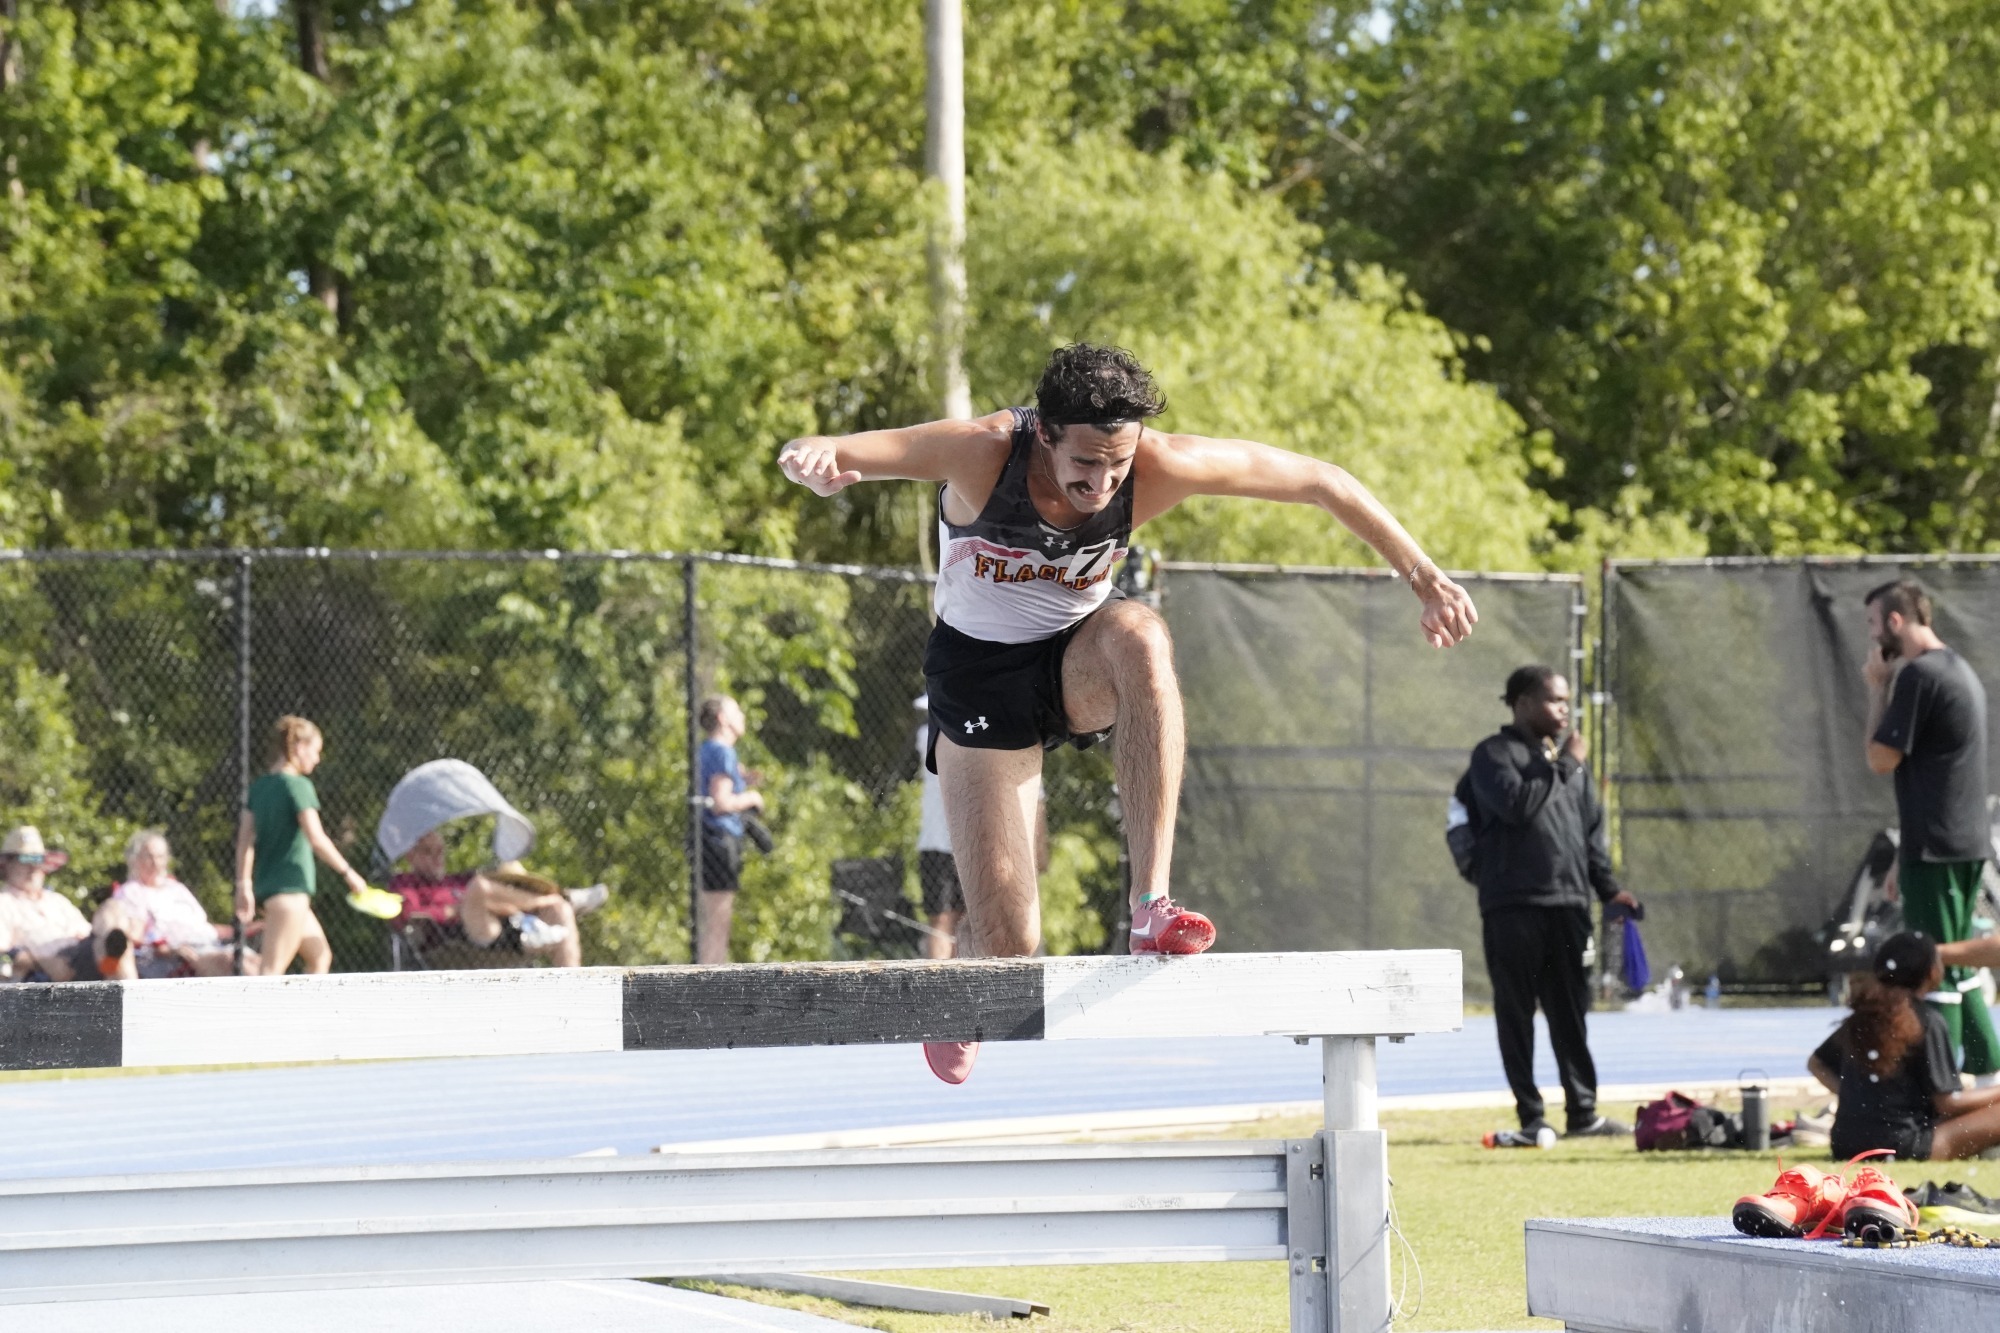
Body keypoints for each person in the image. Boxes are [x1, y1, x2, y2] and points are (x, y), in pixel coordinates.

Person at [779, 342, 1478, 1084]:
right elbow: (831, 447)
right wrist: (812, 461)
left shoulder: (1158, 465)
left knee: (1142, 635)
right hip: (978, 679)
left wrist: (1425, 577)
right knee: (1012, 949)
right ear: (1045, 435)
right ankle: (968, 970)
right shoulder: (983, 450)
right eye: (1085, 464)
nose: (1101, 484)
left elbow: (1320, 480)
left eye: (1117, 465)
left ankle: (1150, 902)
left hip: (1076, 658)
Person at [1461, 666, 1639, 1142]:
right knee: (1516, 1012)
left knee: (1570, 1012)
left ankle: (1584, 1114)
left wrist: (1609, 889)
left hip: (1569, 906)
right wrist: (1568, 765)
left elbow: (1589, 835)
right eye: (1553, 700)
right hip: (1512, 904)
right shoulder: (1493, 755)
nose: (1564, 709)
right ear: (1521, 702)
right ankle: (1531, 1117)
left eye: (1566, 700)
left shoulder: (1570, 766)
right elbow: (1518, 806)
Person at [1862, 579, 1998, 1081]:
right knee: (1956, 965)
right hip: (1959, 841)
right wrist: (1904, 854)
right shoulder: (1956, 667)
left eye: (1873, 623)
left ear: (1895, 621)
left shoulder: (1918, 675)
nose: (1872, 636)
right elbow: (1938, 779)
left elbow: (1880, 758)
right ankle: (1989, 1079)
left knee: (1929, 966)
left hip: (1938, 848)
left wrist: (1877, 688)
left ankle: (1937, 1091)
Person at [1807, 931, 2000, 1161]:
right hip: (1903, 1145)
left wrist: (1858, 1100)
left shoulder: (1865, 1015)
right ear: (1932, 972)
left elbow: (1816, 1063)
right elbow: (1948, 1103)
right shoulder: (1926, 1020)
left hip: (1846, 1144)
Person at [913, 694, 1048, 960]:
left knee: (967, 919)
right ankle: (945, 979)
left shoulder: (932, 735)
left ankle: (969, 975)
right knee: (950, 920)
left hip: (972, 841)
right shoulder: (932, 736)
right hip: (951, 841)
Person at [234, 715, 369, 976]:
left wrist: (244, 885)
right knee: (270, 974)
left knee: (320, 957)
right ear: (299, 747)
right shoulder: (298, 786)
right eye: (315, 751)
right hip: (290, 893)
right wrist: (349, 873)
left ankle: (309, 1006)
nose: (317, 759)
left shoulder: (259, 788)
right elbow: (317, 838)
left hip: (276, 893)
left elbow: (244, 841)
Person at [386, 829, 609, 968]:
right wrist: (456, 909)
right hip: (458, 944)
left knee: (558, 909)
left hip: (505, 925)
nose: (437, 858)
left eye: (440, 851)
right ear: (411, 856)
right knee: (479, 887)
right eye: (428, 851)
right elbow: (407, 915)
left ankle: (572, 990)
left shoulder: (457, 880)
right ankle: (556, 898)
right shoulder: (404, 883)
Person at [99, 829, 258, 978]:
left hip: (211, 944)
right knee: (231, 961)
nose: (155, 862)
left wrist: (250, 928)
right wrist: (169, 949)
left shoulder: (176, 888)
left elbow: (203, 925)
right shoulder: (131, 891)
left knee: (257, 961)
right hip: (175, 956)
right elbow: (136, 935)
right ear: (135, 860)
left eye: (160, 857)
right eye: (149, 856)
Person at [694, 694, 765, 965]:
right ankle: (710, 979)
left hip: (709, 838)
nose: (742, 716)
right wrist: (752, 798)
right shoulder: (722, 751)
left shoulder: (709, 749)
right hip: (720, 839)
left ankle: (707, 974)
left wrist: (742, 778)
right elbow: (721, 803)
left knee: (712, 920)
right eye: (737, 711)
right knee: (718, 921)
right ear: (723, 719)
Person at [0, 826, 98, 982]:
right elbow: (4, 955)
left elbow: (87, 934)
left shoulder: (58, 901)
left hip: (83, 959)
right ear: (7, 865)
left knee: (111, 940)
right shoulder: (4, 903)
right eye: (25, 859)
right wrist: (40, 962)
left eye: (38, 859)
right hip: (41, 979)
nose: (33, 867)